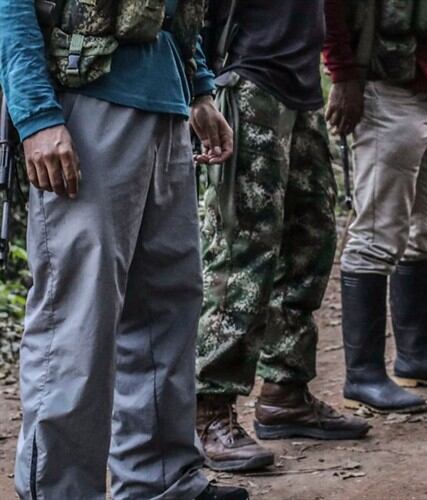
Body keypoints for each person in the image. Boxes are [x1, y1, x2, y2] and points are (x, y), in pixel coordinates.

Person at [0, 0, 246, 498]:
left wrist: (197, 88)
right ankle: (59, 490)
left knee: (168, 306)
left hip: (166, 108)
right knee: (78, 317)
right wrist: (36, 114)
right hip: (85, 102)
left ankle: (160, 480)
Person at [194, 0, 371, 474]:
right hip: (247, 80)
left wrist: (341, 70)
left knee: (310, 239)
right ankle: (208, 409)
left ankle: (284, 392)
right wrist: (201, 86)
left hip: (302, 86)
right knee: (242, 251)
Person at [323, 0, 427, 415]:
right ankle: (364, 374)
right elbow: (332, 11)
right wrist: (343, 76)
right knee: (377, 231)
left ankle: (417, 355)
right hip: (384, 90)